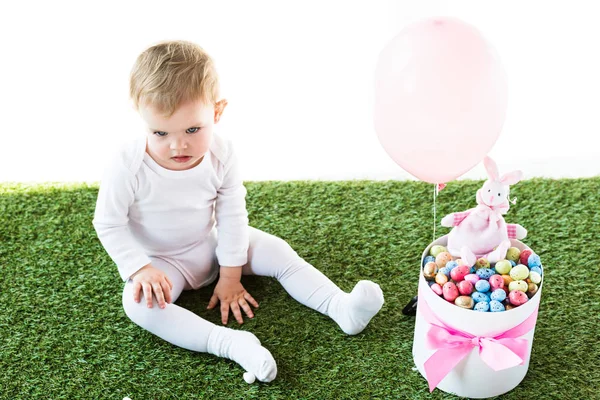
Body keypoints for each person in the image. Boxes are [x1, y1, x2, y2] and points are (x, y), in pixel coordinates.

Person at [93, 40, 384, 382]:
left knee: (275, 250)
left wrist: (230, 273)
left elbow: (232, 213)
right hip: (161, 262)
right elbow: (108, 222)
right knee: (137, 304)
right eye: (160, 132)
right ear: (141, 116)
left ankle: (340, 306)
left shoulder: (222, 152)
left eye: (192, 129)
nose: (177, 145)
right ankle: (230, 343)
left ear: (217, 112)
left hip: (210, 242)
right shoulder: (128, 163)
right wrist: (138, 267)